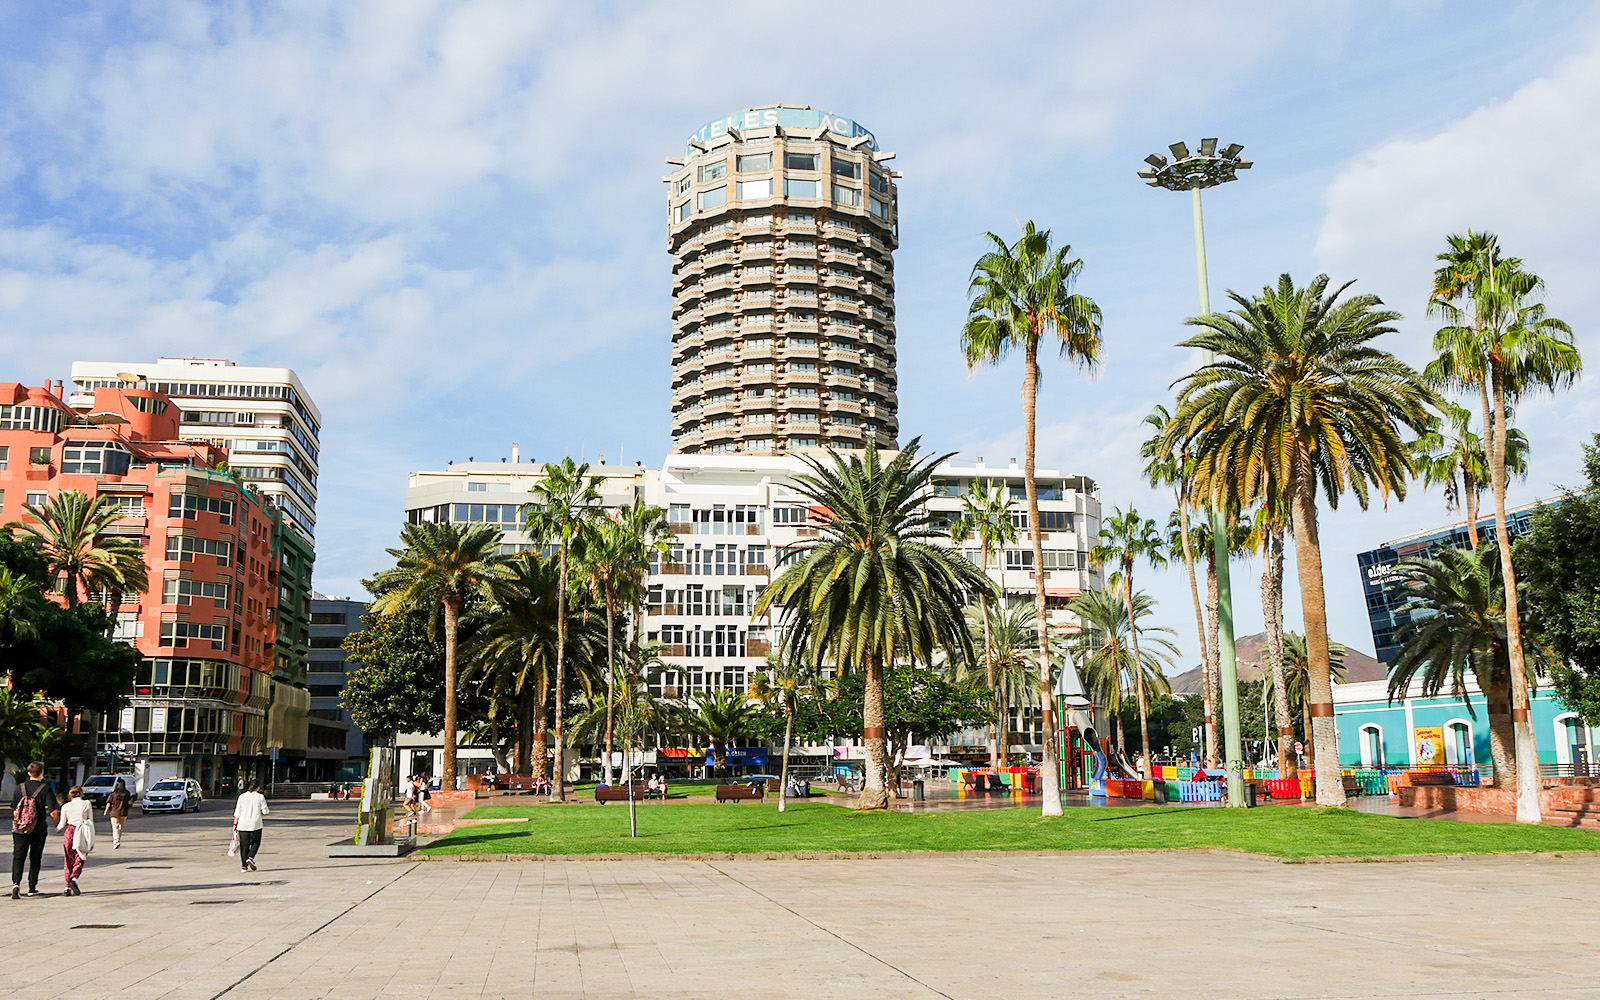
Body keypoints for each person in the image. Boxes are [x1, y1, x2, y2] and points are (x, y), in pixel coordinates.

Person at [10, 762, 60, 899]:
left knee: (18, 856)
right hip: (38, 828)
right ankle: (32, 887)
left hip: (19, 828)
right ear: (42, 773)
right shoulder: (45, 789)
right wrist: (57, 824)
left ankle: (16, 883)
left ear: (28, 773)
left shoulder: (18, 788)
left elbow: (14, 808)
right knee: (35, 857)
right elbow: (53, 811)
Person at [57, 786, 94, 896]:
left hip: (70, 832)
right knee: (81, 856)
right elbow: (90, 820)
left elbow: (62, 824)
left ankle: (67, 887)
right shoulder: (86, 803)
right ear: (81, 794)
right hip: (82, 831)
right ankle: (74, 877)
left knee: (68, 859)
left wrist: (57, 829)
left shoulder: (66, 806)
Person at [233, 780, 270, 873]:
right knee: (256, 842)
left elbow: (237, 812)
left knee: (244, 845)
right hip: (255, 824)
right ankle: (250, 857)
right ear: (257, 787)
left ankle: (244, 866)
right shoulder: (260, 797)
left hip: (242, 824)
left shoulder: (242, 797)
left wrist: (234, 824)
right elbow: (265, 811)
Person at [104, 779, 132, 849]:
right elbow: (130, 803)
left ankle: (116, 841)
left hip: (114, 813)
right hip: (124, 812)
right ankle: (118, 839)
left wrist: (106, 811)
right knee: (120, 827)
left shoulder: (113, 794)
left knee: (115, 827)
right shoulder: (127, 793)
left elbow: (108, 803)